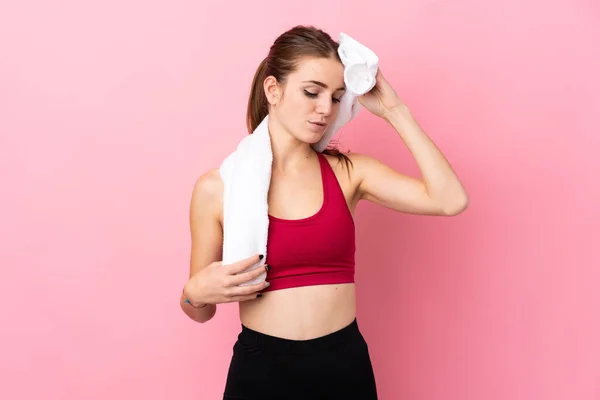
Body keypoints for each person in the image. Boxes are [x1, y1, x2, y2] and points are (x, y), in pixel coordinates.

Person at [180, 25, 468, 399]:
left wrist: (395, 111)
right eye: (311, 92)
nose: (325, 110)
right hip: (261, 371)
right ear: (273, 90)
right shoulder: (219, 188)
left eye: (336, 97)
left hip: (343, 367)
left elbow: (450, 200)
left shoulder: (349, 173)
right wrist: (194, 291)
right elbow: (198, 311)